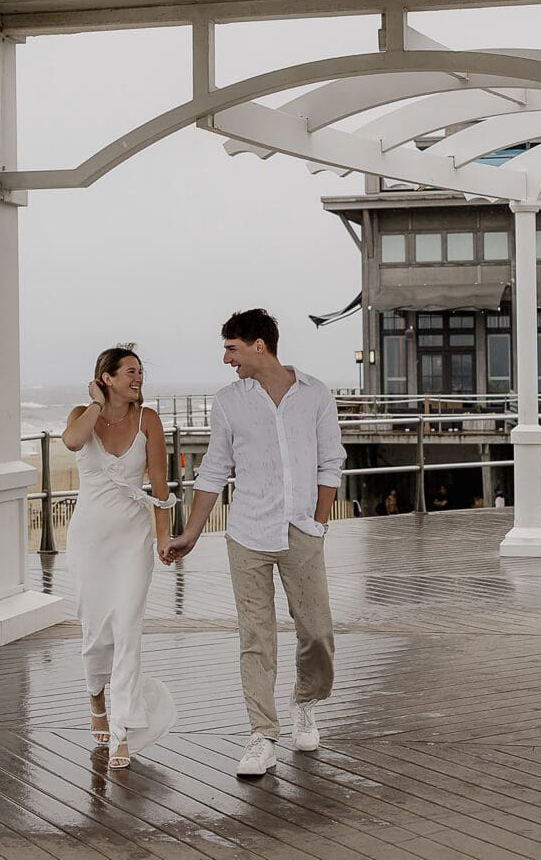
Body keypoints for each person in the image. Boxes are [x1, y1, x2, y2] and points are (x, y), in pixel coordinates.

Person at [164, 309, 346, 777]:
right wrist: (191, 531)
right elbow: (212, 470)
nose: (226, 359)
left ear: (258, 345)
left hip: (301, 530)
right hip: (246, 533)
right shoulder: (229, 402)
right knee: (256, 638)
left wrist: (317, 523)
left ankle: (306, 701)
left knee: (317, 631)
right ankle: (262, 734)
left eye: (232, 348)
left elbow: (331, 464)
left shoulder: (316, 394)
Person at [62, 346, 177, 769]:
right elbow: (72, 441)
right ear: (106, 377)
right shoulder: (81, 414)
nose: (139, 378)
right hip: (90, 540)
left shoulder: (149, 420)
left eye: (141, 372)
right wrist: (95, 403)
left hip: (133, 540)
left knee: (127, 629)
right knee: (96, 631)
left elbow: (161, 489)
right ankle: (96, 696)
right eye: (130, 371)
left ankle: (122, 729)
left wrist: (164, 538)